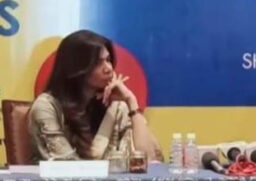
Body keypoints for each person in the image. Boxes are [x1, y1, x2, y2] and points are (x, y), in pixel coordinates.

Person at [28, 30, 163, 163]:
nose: (108, 68)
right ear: (76, 68)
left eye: (108, 60)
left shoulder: (115, 107)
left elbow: (150, 160)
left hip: (110, 178)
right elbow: (66, 165)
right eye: (98, 62)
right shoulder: (46, 107)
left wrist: (131, 101)